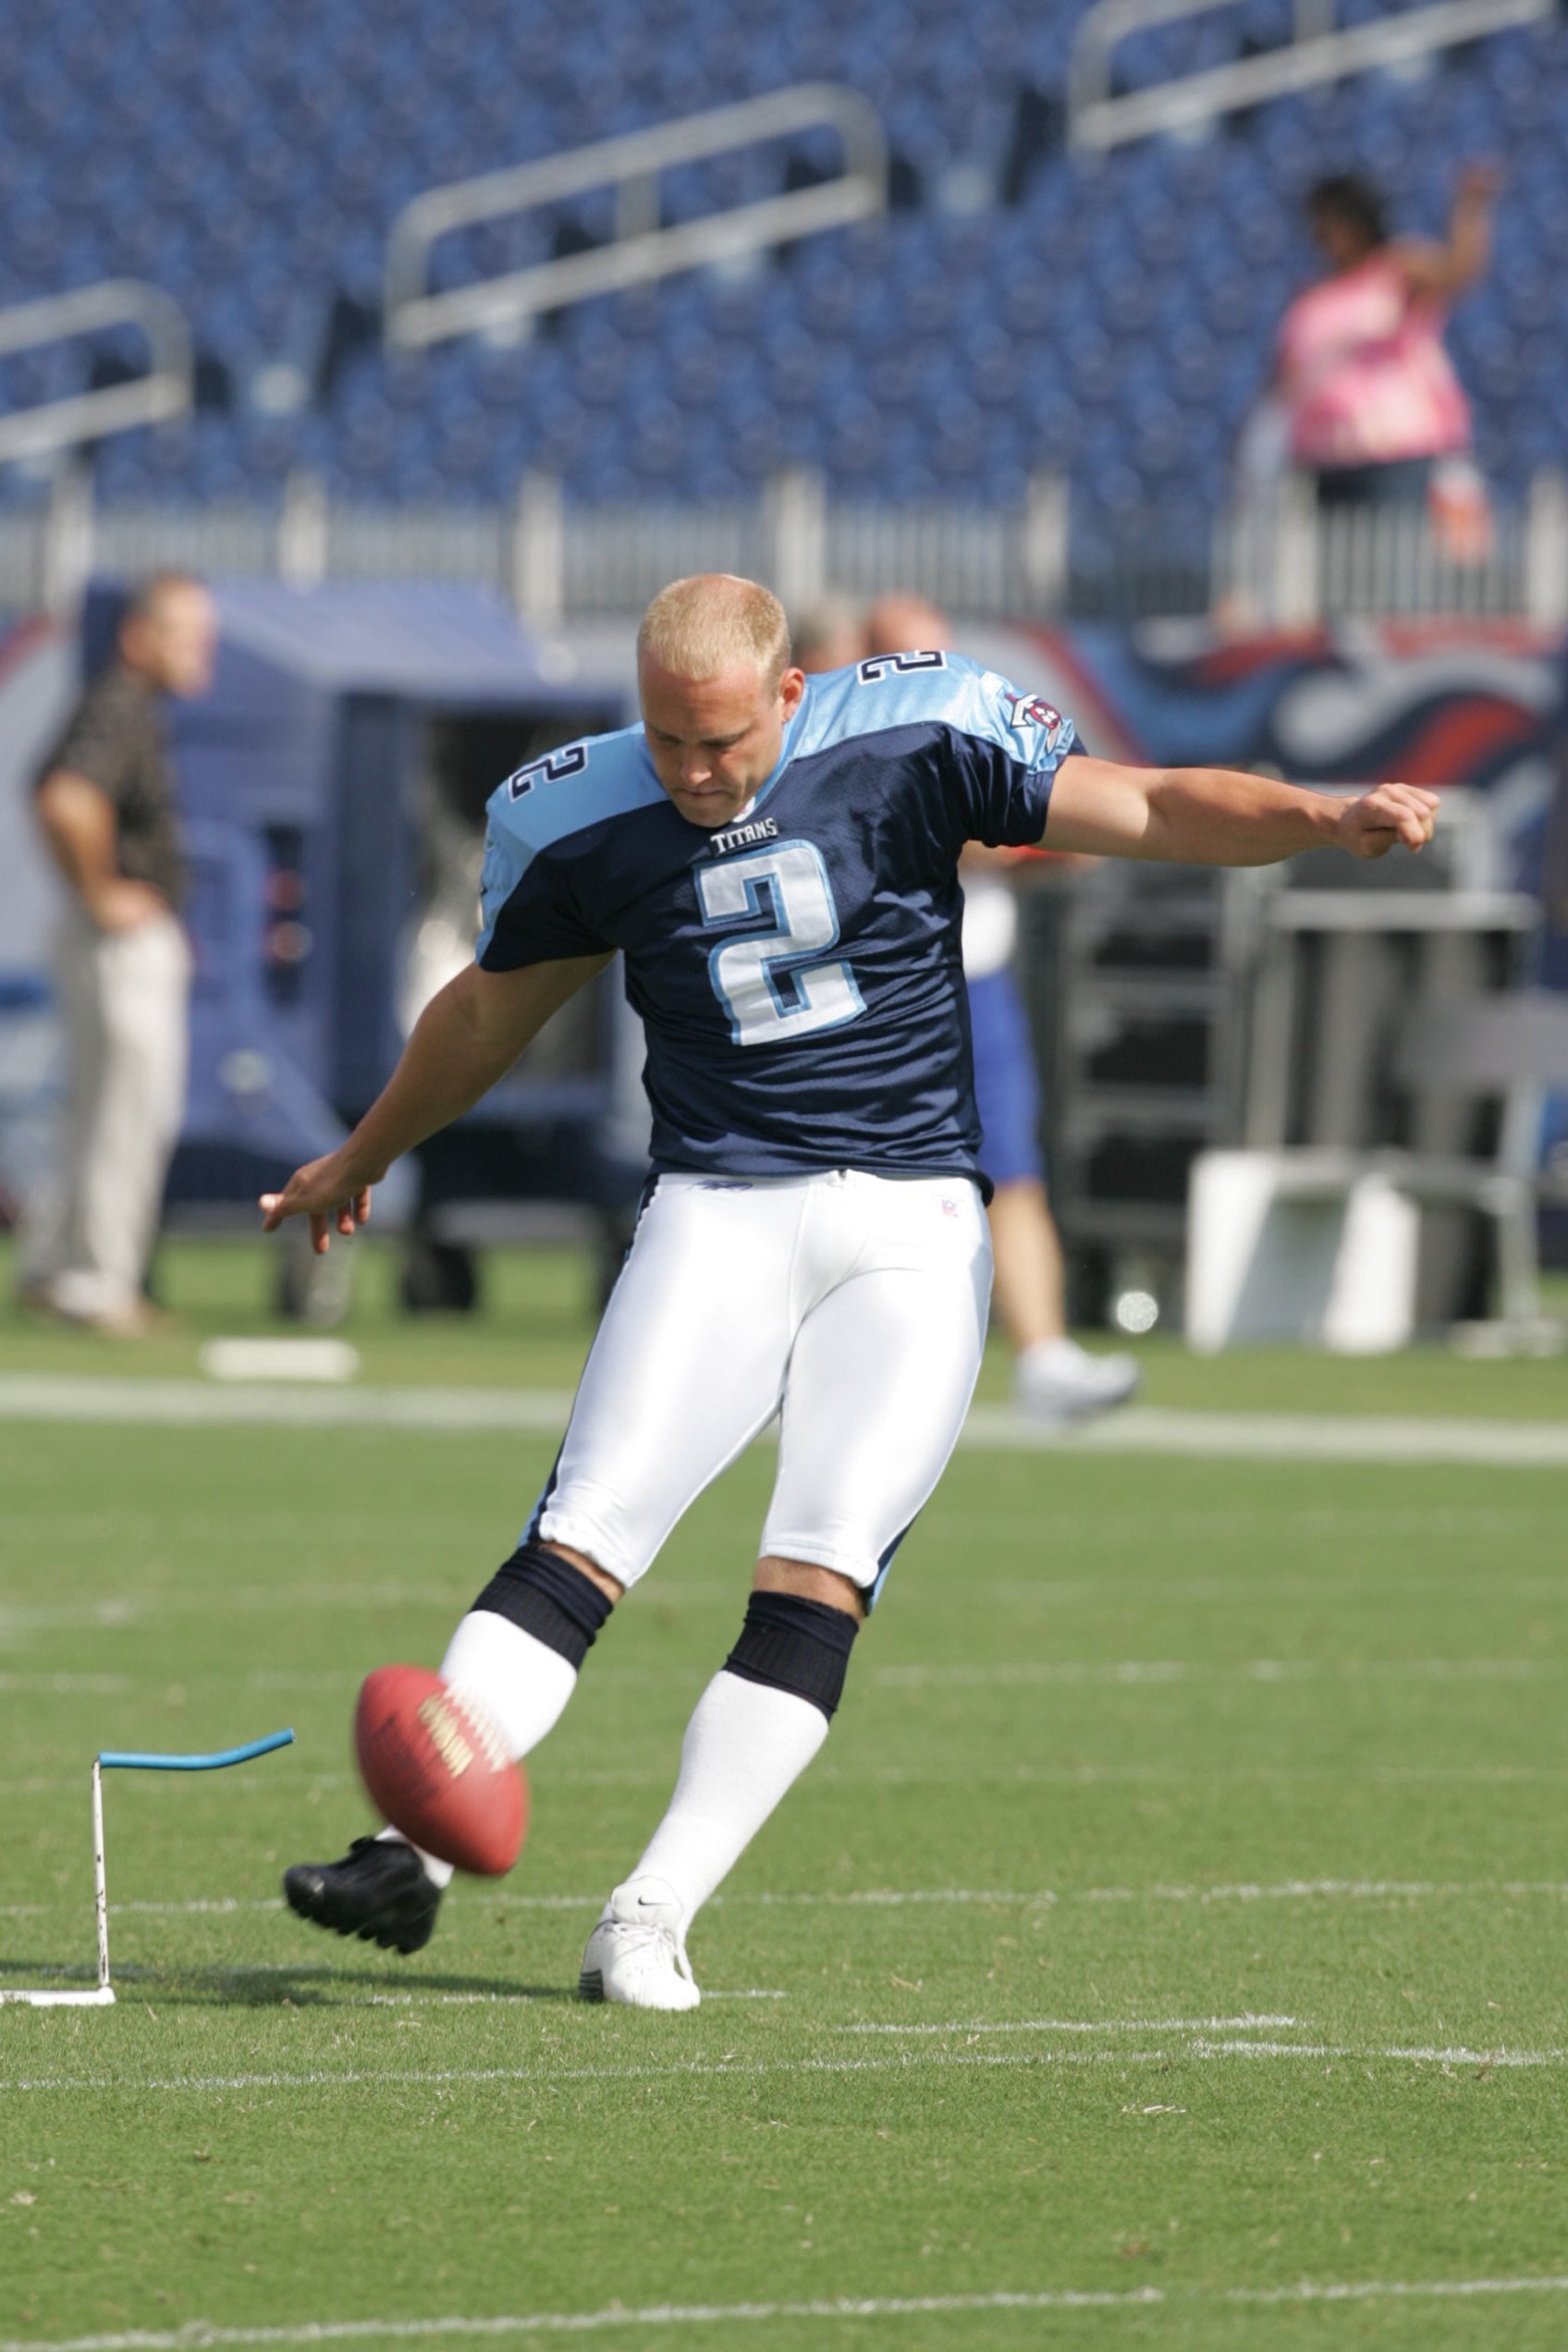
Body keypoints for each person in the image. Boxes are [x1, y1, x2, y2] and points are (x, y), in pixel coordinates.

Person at [263, 573, 1436, 2008]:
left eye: (726, 742)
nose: (695, 774)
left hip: (910, 1220)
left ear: (792, 694)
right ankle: (409, 1849)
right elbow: (491, 1012)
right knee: (584, 1533)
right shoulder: (569, 809)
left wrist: (1321, 816)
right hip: (715, 1206)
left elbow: (1147, 807)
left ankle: (650, 1912)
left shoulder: (916, 731)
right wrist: (360, 1155)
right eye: (668, 740)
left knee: (819, 1569)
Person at [862, 594, 1139, 1422]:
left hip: (976, 983)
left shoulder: (971, 722)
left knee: (1012, 1171)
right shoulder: (844, 743)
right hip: (885, 995)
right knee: (853, 1180)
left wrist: (1064, 834)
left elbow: (1074, 816)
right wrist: (1031, 844)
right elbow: (961, 839)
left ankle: (1044, 1357)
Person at [21, 574, 216, 1336]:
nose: (202, 650)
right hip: (120, 939)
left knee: (95, 1110)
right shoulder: (123, 705)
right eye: (186, 632)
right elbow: (66, 797)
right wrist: (102, 888)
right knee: (129, 1114)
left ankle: (56, 1270)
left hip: (104, 937)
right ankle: (98, 1284)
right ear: (141, 636)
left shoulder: (122, 704)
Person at [1277, 164, 1497, 514]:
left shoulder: (1396, 269)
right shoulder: (1313, 296)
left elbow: (1457, 271)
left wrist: (1469, 209)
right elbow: (1284, 377)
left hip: (1394, 456)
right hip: (1323, 459)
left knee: (1388, 562)